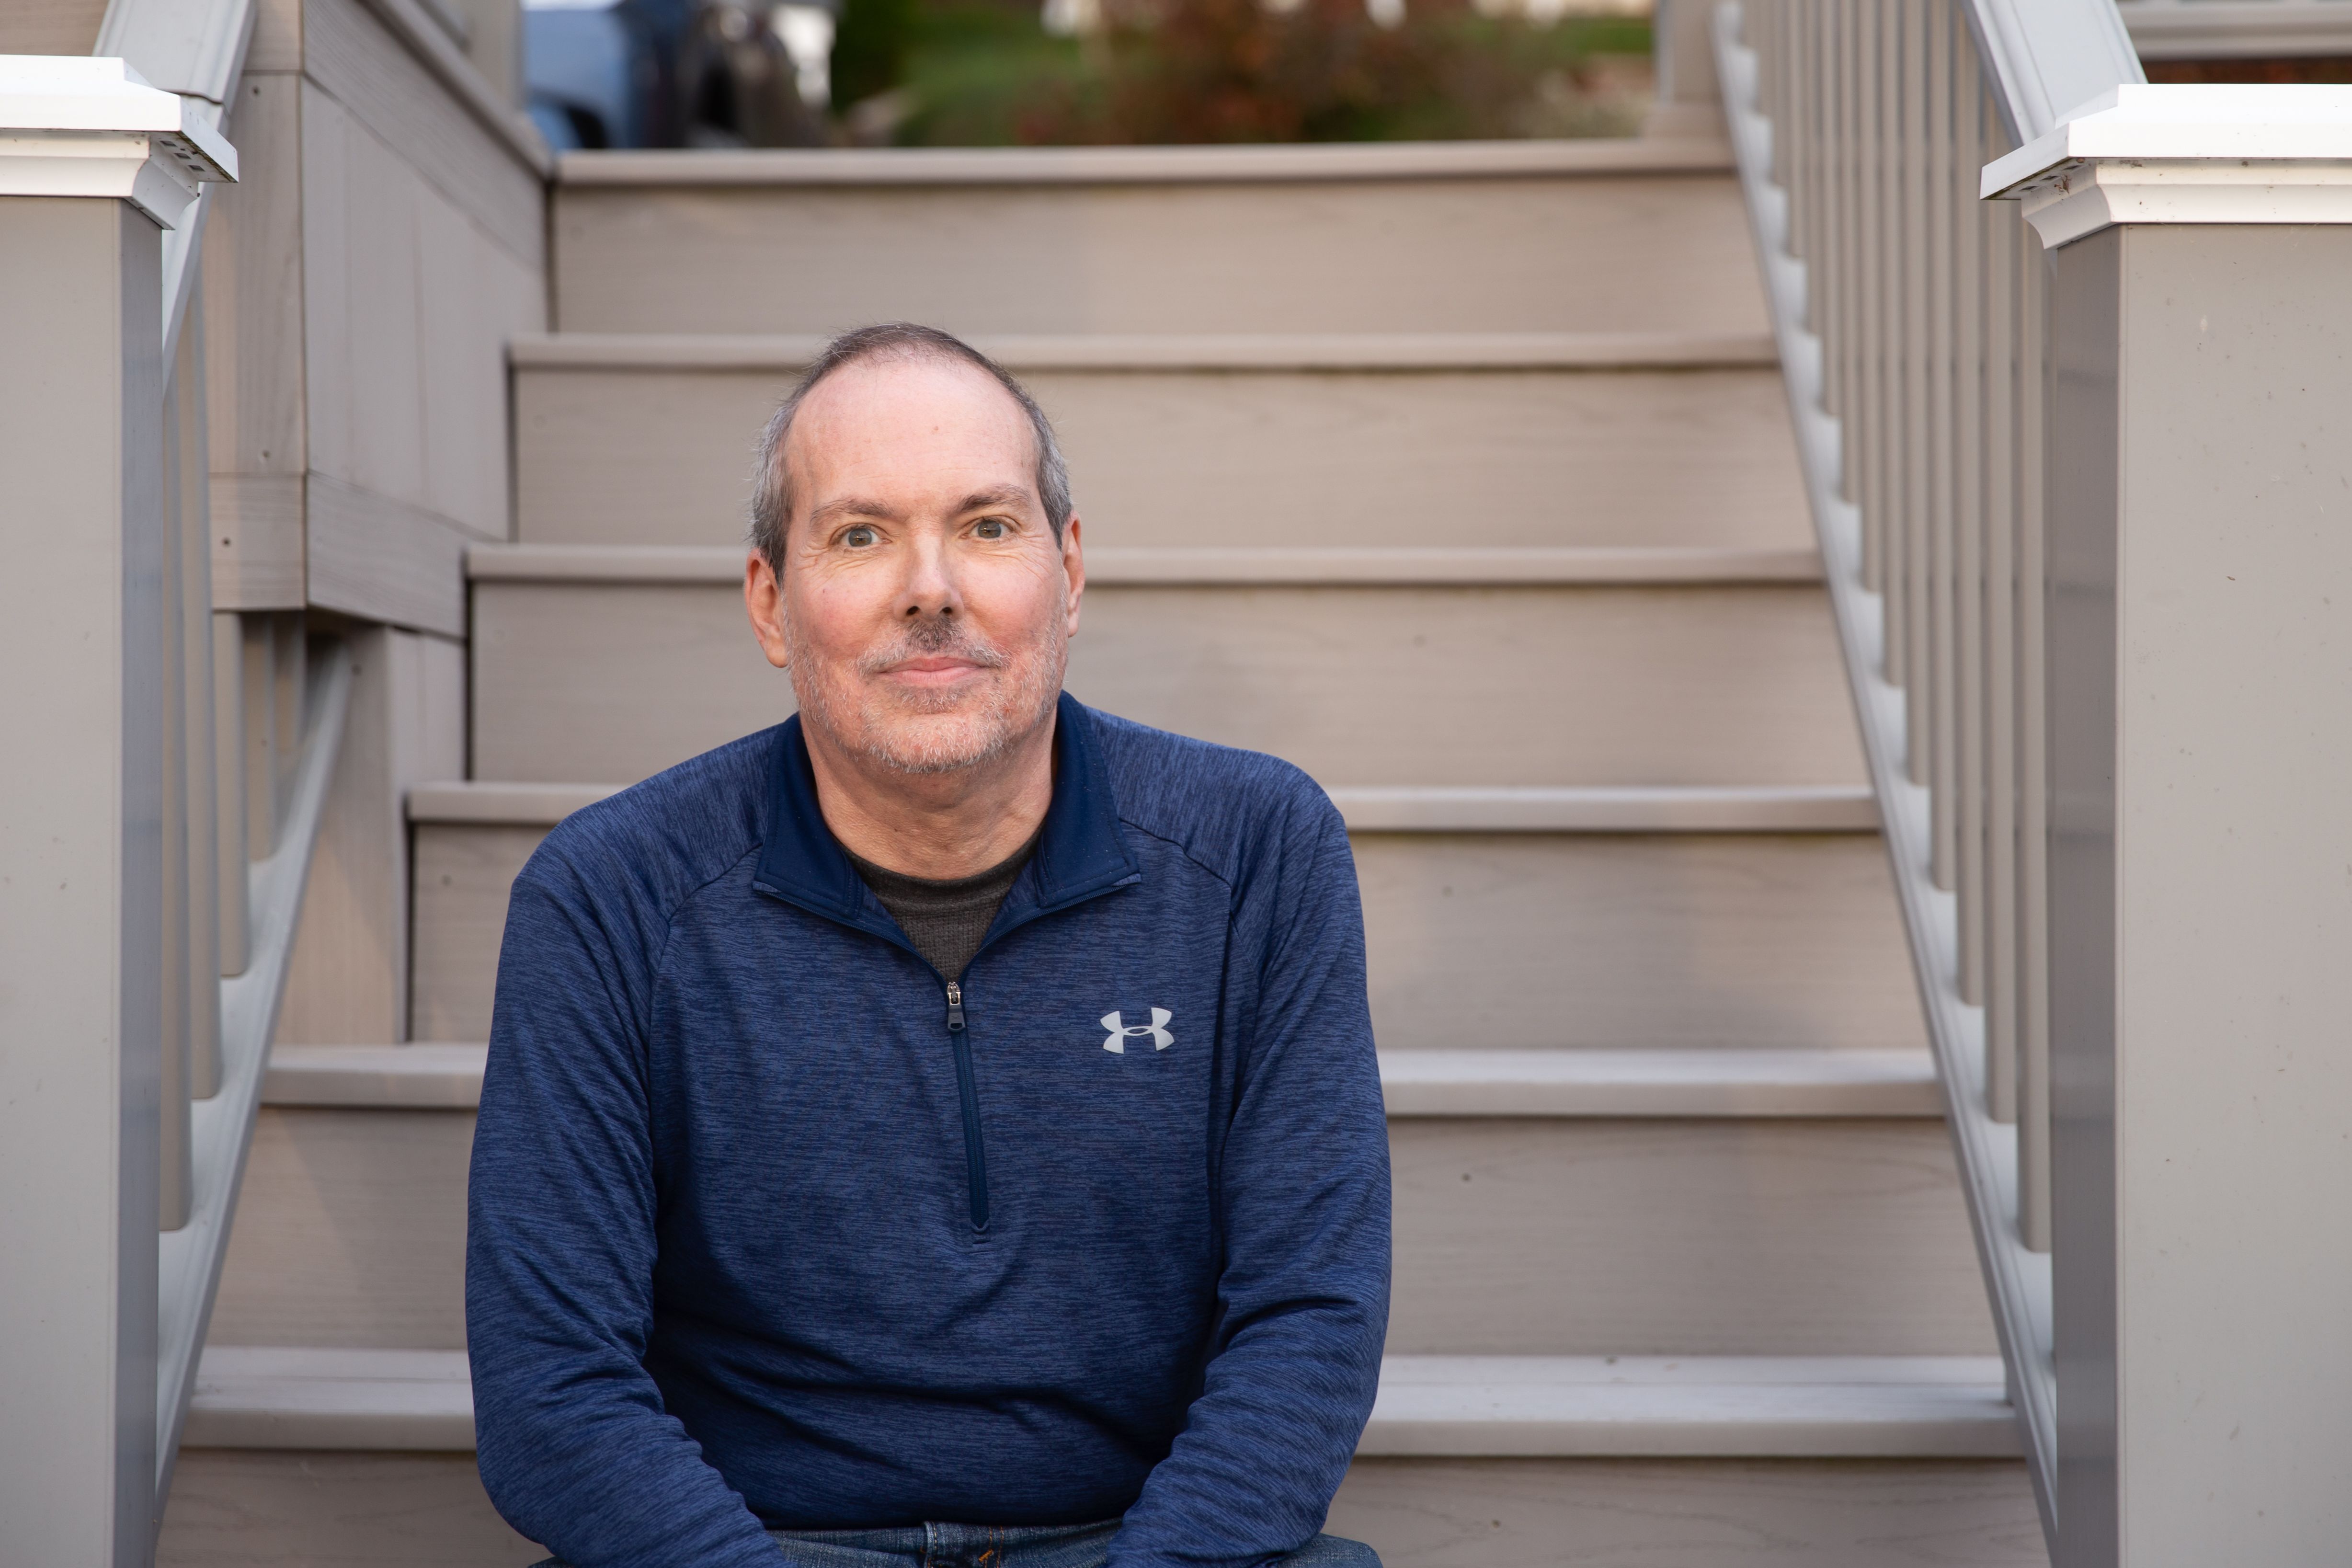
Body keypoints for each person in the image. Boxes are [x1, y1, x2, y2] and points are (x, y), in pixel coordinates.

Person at [466, 322, 1392, 1568]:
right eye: (860, 535)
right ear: (771, 603)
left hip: (1135, 1542)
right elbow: (552, 1388)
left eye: (988, 526)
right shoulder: (611, 898)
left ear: (1068, 572)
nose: (931, 587)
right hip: (758, 1546)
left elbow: (1310, 1319)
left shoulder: (1257, 856)